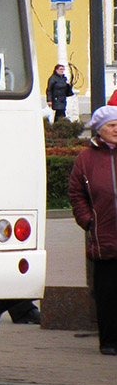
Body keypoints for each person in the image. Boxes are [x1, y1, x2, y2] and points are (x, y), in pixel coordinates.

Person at [67, 105, 117, 355]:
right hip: (104, 235)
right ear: (99, 130)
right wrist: (88, 220)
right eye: (112, 125)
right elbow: (76, 193)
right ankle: (108, 342)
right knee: (107, 294)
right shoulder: (86, 159)